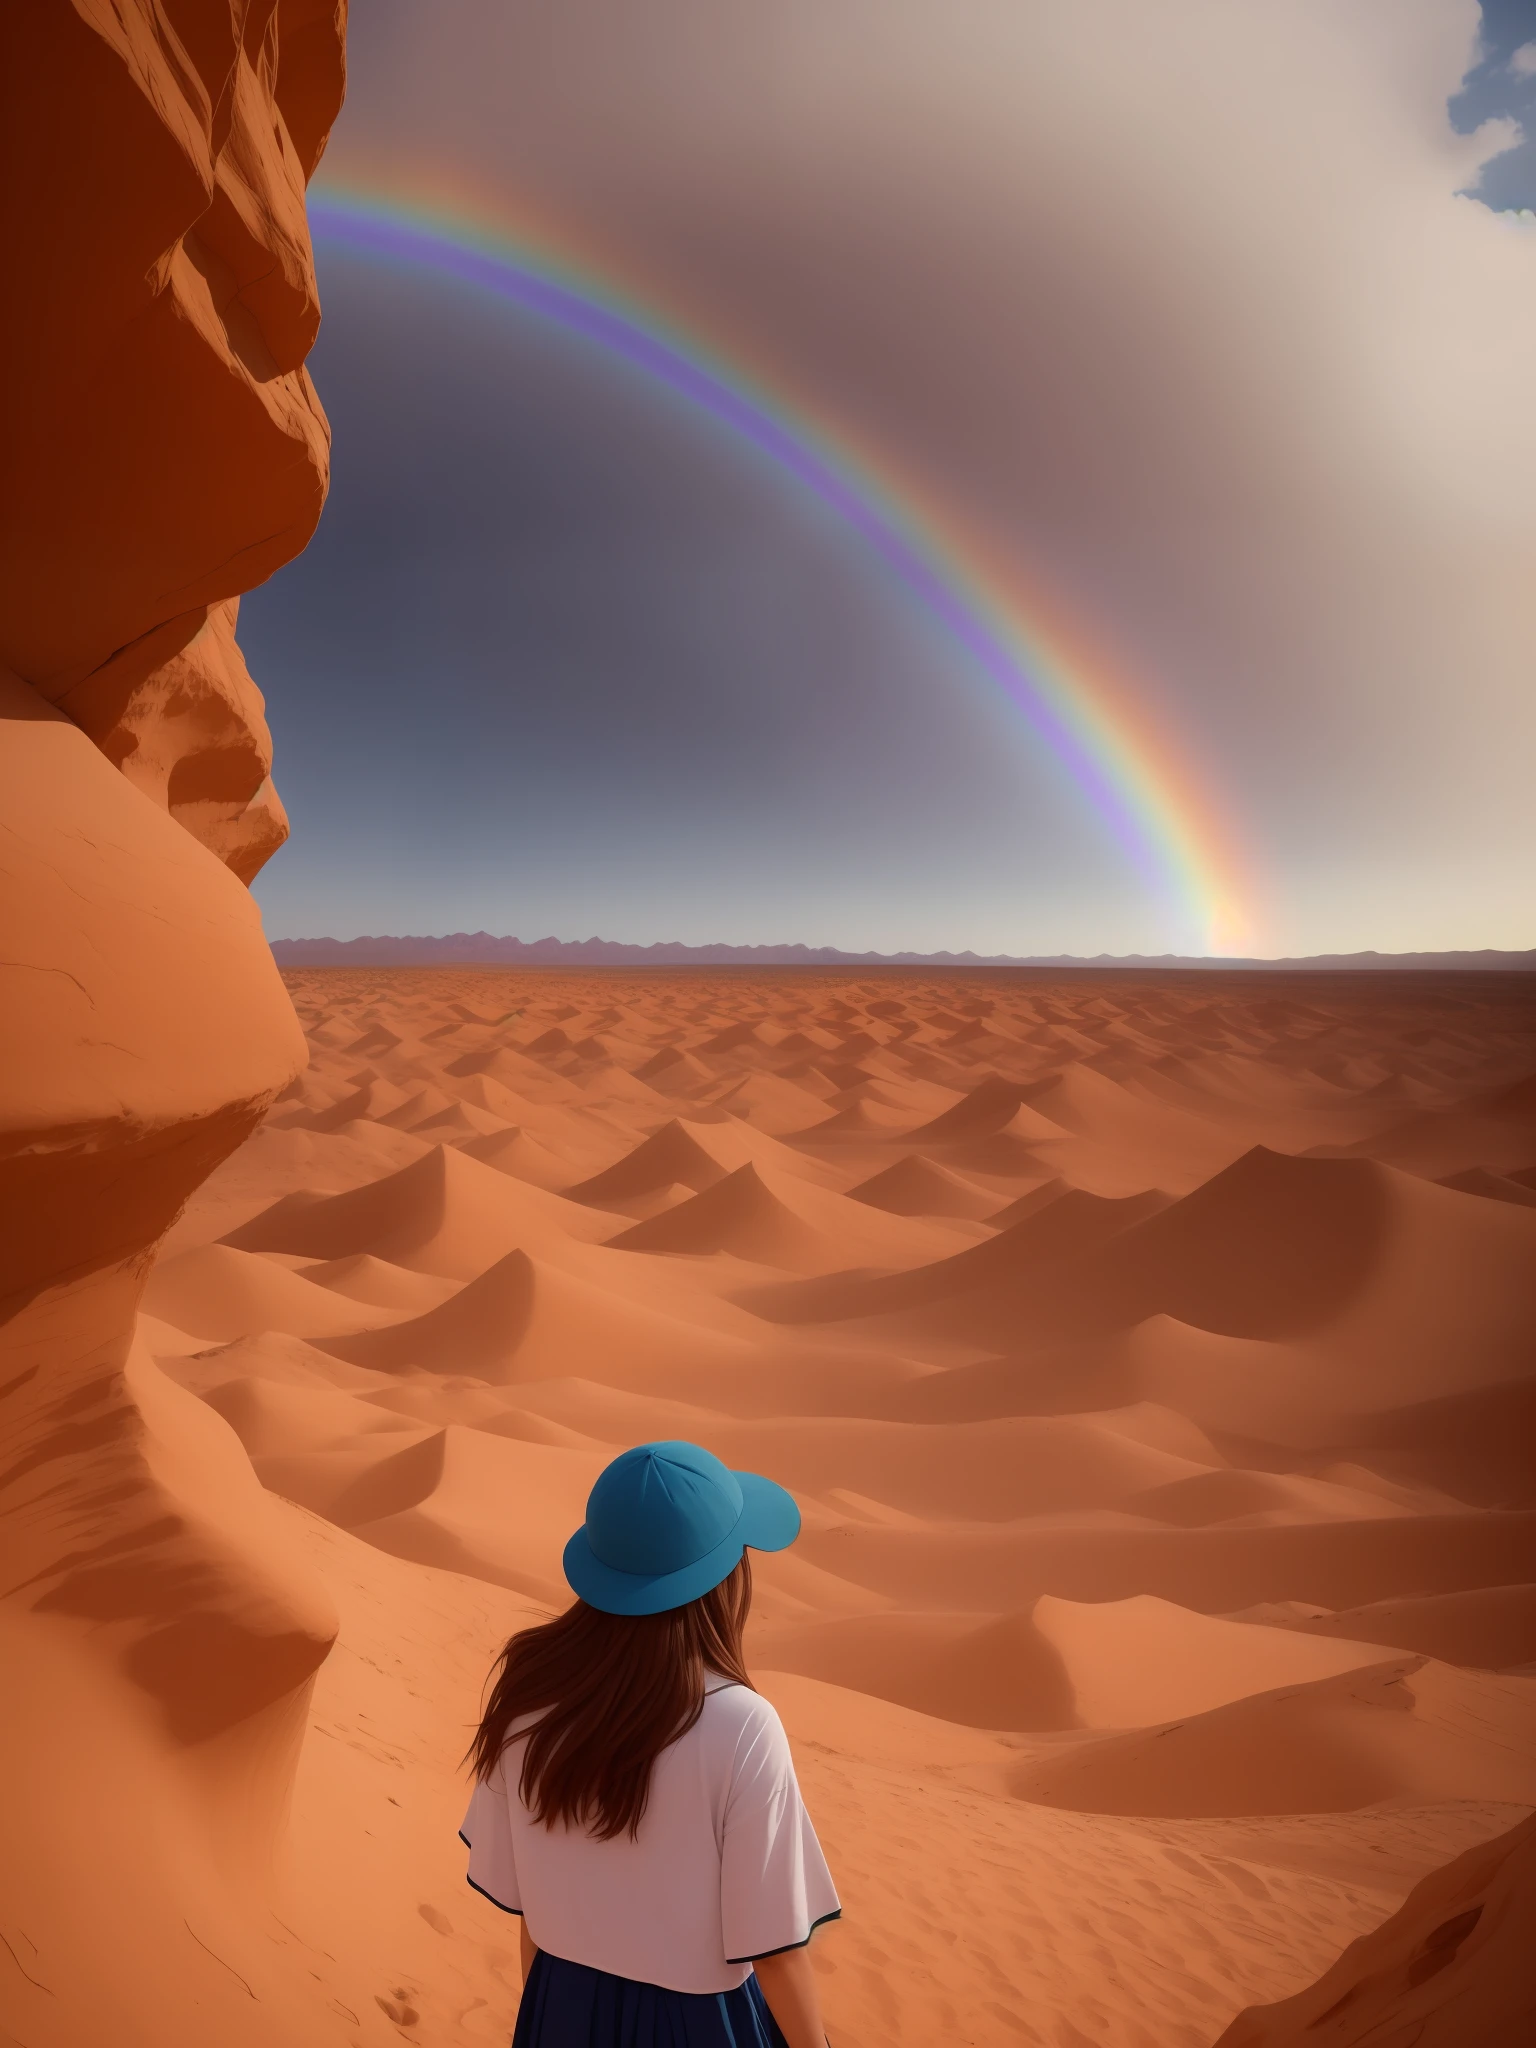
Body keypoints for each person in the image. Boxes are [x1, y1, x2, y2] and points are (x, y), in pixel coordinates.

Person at [461, 1440, 839, 2047]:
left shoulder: (527, 1691)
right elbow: (775, 1949)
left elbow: (531, 1909)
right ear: (722, 1579)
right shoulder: (742, 1724)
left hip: (558, 2003)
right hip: (694, 2025)